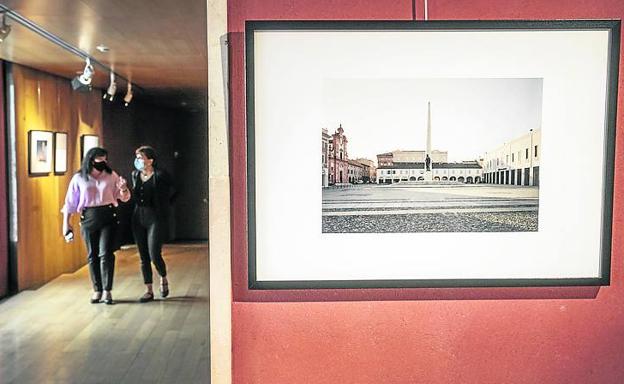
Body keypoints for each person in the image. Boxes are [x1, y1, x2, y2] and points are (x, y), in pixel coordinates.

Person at [61, 147, 131, 305]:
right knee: (92, 255)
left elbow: (124, 197)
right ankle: (97, 289)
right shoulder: (79, 177)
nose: (103, 163)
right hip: (88, 217)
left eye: (105, 160)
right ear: (90, 160)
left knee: (106, 253)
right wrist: (66, 223)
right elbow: (70, 202)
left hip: (108, 215)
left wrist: (124, 188)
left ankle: (107, 290)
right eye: (99, 160)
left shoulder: (111, 175)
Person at [130, 146, 176, 302]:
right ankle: (148, 289)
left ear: (150, 160)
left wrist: (165, 205)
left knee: (154, 253)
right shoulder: (135, 174)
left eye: (141, 157)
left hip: (155, 217)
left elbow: (174, 190)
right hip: (138, 217)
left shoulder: (160, 175)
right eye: (137, 157)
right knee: (143, 256)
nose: (138, 160)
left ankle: (163, 277)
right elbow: (135, 195)